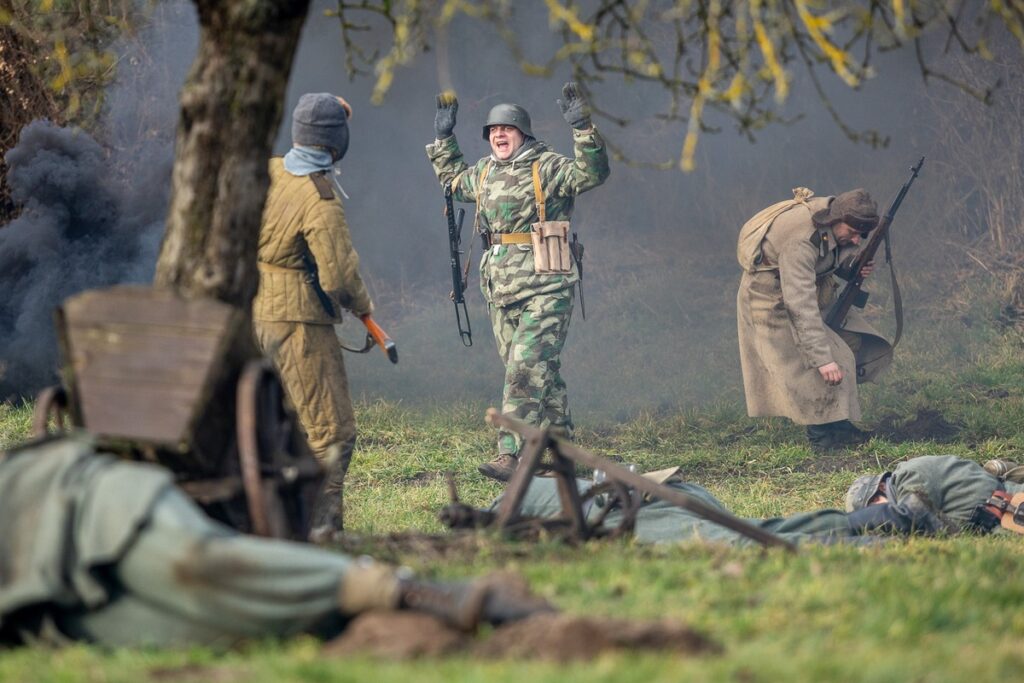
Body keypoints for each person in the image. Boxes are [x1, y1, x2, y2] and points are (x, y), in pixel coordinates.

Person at [0, 435, 553, 647]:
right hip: (42, 600)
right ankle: (353, 608)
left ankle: (409, 591)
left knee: (194, 565)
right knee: (195, 629)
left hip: (68, 510)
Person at [426, 83, 610, 482]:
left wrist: (582, 129)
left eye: (507, 130)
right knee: (541, 372)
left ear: (523, 133)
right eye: (493, 131)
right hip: (501, 289)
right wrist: (444, 138)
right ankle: (561, 455)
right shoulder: (486, 171)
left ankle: (511, 453)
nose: (499, 136)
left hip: (547, 285)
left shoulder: (548, 166)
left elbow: (592, 173)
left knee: (524, 372)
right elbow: (454, 182)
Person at [253, 93, 373, 534]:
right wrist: (363, 306)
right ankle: (322, 531)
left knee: (273, 420)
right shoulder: (320, 199)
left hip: (253, 311)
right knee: (331, 433)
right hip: (298, 323)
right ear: (335, 143)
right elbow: (339, 278)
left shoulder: (267, 171)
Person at [735, 187, 894, 452]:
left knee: (849, 343)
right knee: (820, 363)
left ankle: (838, 422)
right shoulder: (799, 242)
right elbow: (800, 305)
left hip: (811, 290)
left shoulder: (832, 216)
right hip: (771, 301)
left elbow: (828, 254)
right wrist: (822, 359)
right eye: (853, 233)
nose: (857, 240)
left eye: (862, 235)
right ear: (834, 221)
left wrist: (851, 264)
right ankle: (821, 436)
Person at [844, 454, 1024, 535]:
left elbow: (914, 517)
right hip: (1004, 521)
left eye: (872, 506)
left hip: (1013, 505)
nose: (876, 517)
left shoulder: (908, 474)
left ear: (882, 487)